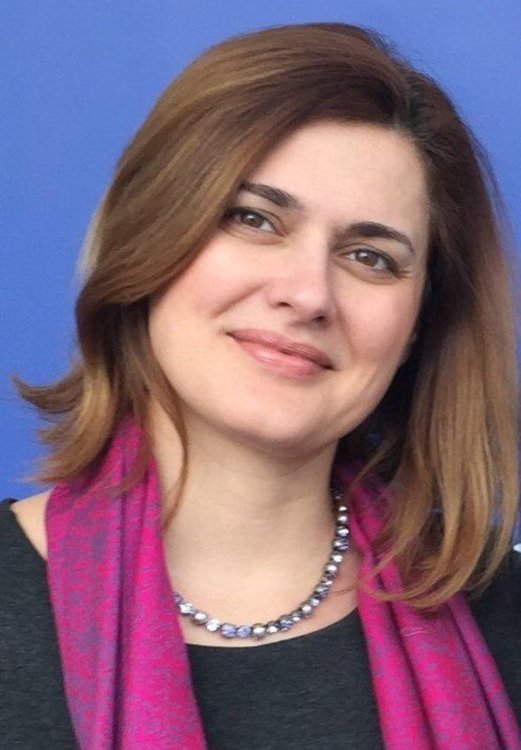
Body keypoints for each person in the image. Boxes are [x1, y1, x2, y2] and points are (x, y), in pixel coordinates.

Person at [1, 21, 520, 750]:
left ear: (418, 327)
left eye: (370, 257)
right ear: (148, 238)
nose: (307, 294)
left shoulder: (504, 617)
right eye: (254, 219)